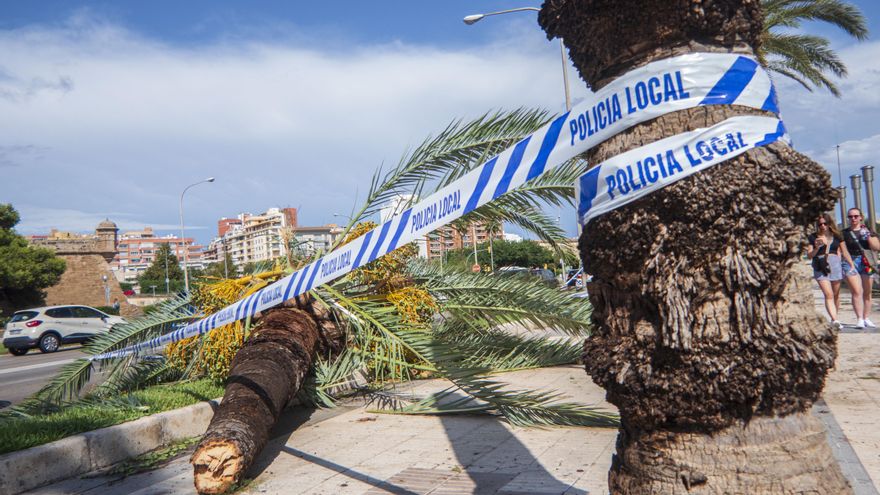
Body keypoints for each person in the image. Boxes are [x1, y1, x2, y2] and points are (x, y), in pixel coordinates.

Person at [808, 214, 861, 327]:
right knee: (828, 294)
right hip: (820, 265)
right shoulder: (813, 237)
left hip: (835, 265)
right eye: (820, 224)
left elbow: (844, 252)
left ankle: (834, 318)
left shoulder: (837, 236)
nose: (822, 226)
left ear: (829, 223)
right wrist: (817, 247)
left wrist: (851, 265)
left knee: (836, 295)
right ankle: (835, 319)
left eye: (825, 223)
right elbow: (810, 255)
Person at [842, 207, 880, 327]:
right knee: (857, 291)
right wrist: (850, 263)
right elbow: (843, 250)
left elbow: (876, 247)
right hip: (850, 261)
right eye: (850, 216)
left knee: (867, 292)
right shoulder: (844, 233)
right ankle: (859, 318)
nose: (853, 218)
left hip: (866, 262)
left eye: (856, 216)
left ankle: (866, 317)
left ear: (861, 217)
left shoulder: (869, 231)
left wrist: (868, 236)